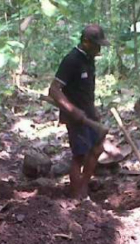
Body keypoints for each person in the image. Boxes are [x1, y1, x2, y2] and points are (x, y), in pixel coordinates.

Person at [49, 24, 110, 200]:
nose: (99, 49)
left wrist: (94, 111)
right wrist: (72, 110)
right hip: (75, 117)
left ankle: (83, 188)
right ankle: (77, 195)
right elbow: (54, 90)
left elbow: (86, 90)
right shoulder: (72, 60)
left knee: (97, 148)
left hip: (88, 114)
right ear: (85, 42)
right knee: (80, 155)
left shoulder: (89, 60)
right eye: (96, 44)